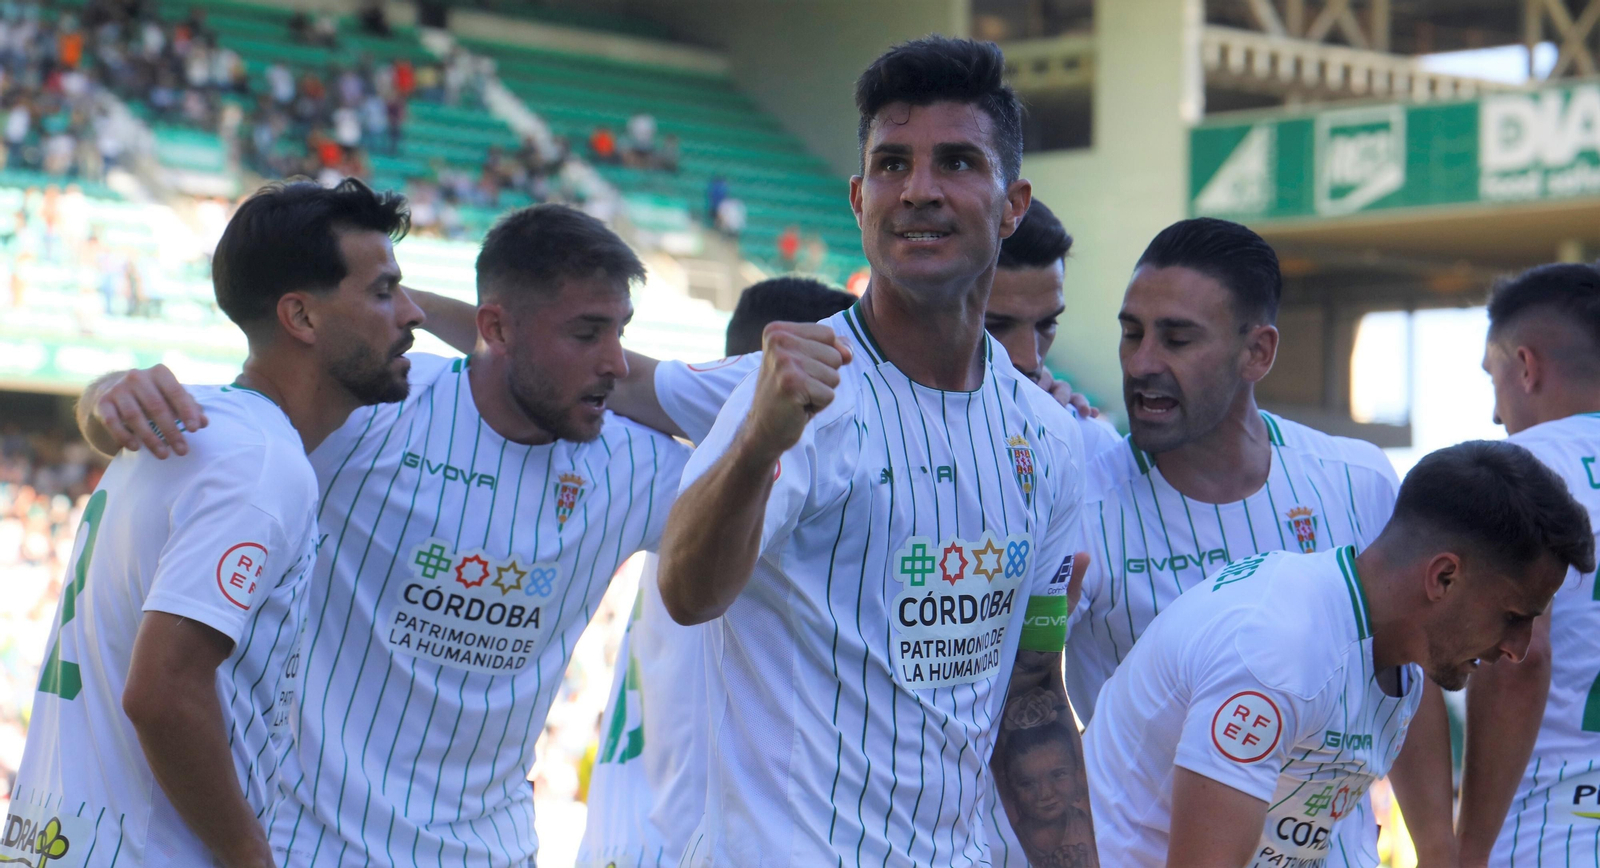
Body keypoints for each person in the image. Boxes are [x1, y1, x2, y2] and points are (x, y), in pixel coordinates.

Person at [72, 205, 691, 866]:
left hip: (492, 852)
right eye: (588, 332)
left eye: (620, 332)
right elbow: (200, 423)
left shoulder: (638, 462)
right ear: (496, 327)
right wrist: (104, 394)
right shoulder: (375, 407)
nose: (618, 364)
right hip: (309, 847)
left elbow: (743, 467)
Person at [656, 37, 1095, 865]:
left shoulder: (1048, 438)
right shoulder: (794, 393)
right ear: (859, 198)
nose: (919, 191)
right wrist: (759, 443)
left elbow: (1034, 694)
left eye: (958, 162)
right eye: (892, 166)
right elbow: (687, 592)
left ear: (1012, 204)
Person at [0, 179, 423, 867]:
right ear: (302, 318)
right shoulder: (261, 465)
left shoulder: (188, 425)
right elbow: (164, 693)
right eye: (383, 291)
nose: (411, 312)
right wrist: (248, 856)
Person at [1048, 217, 1458, 867]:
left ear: (1258, 352)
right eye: (1132, 334)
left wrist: (1442, 851)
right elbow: (1026, 694)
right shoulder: (1082, 501)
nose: (1144, 362)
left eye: (1178, 338)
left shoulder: (1357, 480)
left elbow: (1411, 671)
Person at [1084, 439, 1594, 867]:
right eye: (1514, 616)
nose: (1519, 649)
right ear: (1443, 577)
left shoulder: (1398, 656)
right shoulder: (1277, 652)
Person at [576, 277, 858, 868]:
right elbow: (611, 371)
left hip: (621, 837)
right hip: (692, 843)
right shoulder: (757, 428)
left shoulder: (676, 474)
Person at [1458, 263, 1600, 865]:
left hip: (1560, 822)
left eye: (1493, 379)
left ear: (1525, 366)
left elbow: (1520, 659)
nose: (1495, 413)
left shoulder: (1525, 465)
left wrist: (1465, 852)